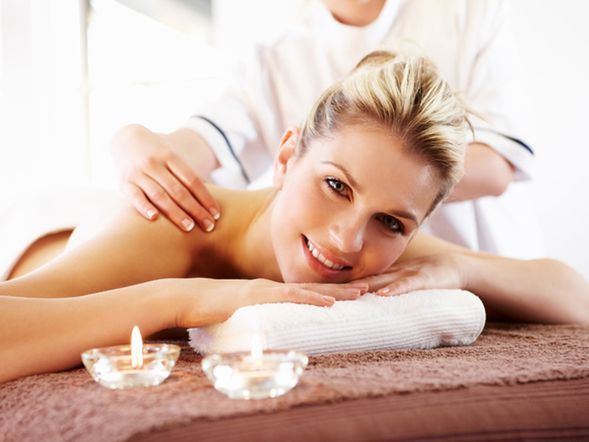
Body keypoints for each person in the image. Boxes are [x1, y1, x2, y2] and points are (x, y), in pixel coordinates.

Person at [1, 52, 587, 385]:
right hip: (43, 230)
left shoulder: (384, 242)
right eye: (335, 185)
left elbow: (573, 295)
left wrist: (461, 269)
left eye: (392, 222)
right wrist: (181, 299)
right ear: (285, 158)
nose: (347, 239)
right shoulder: (165, 228)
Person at [111, 0, 541, 258]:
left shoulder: (465, 10)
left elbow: (496, 165)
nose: (348, 232)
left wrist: (365, 183)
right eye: (338, 186)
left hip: (481, 264)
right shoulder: (275, 51)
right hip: (373, 283)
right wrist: (133, 141)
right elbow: (205, 140)